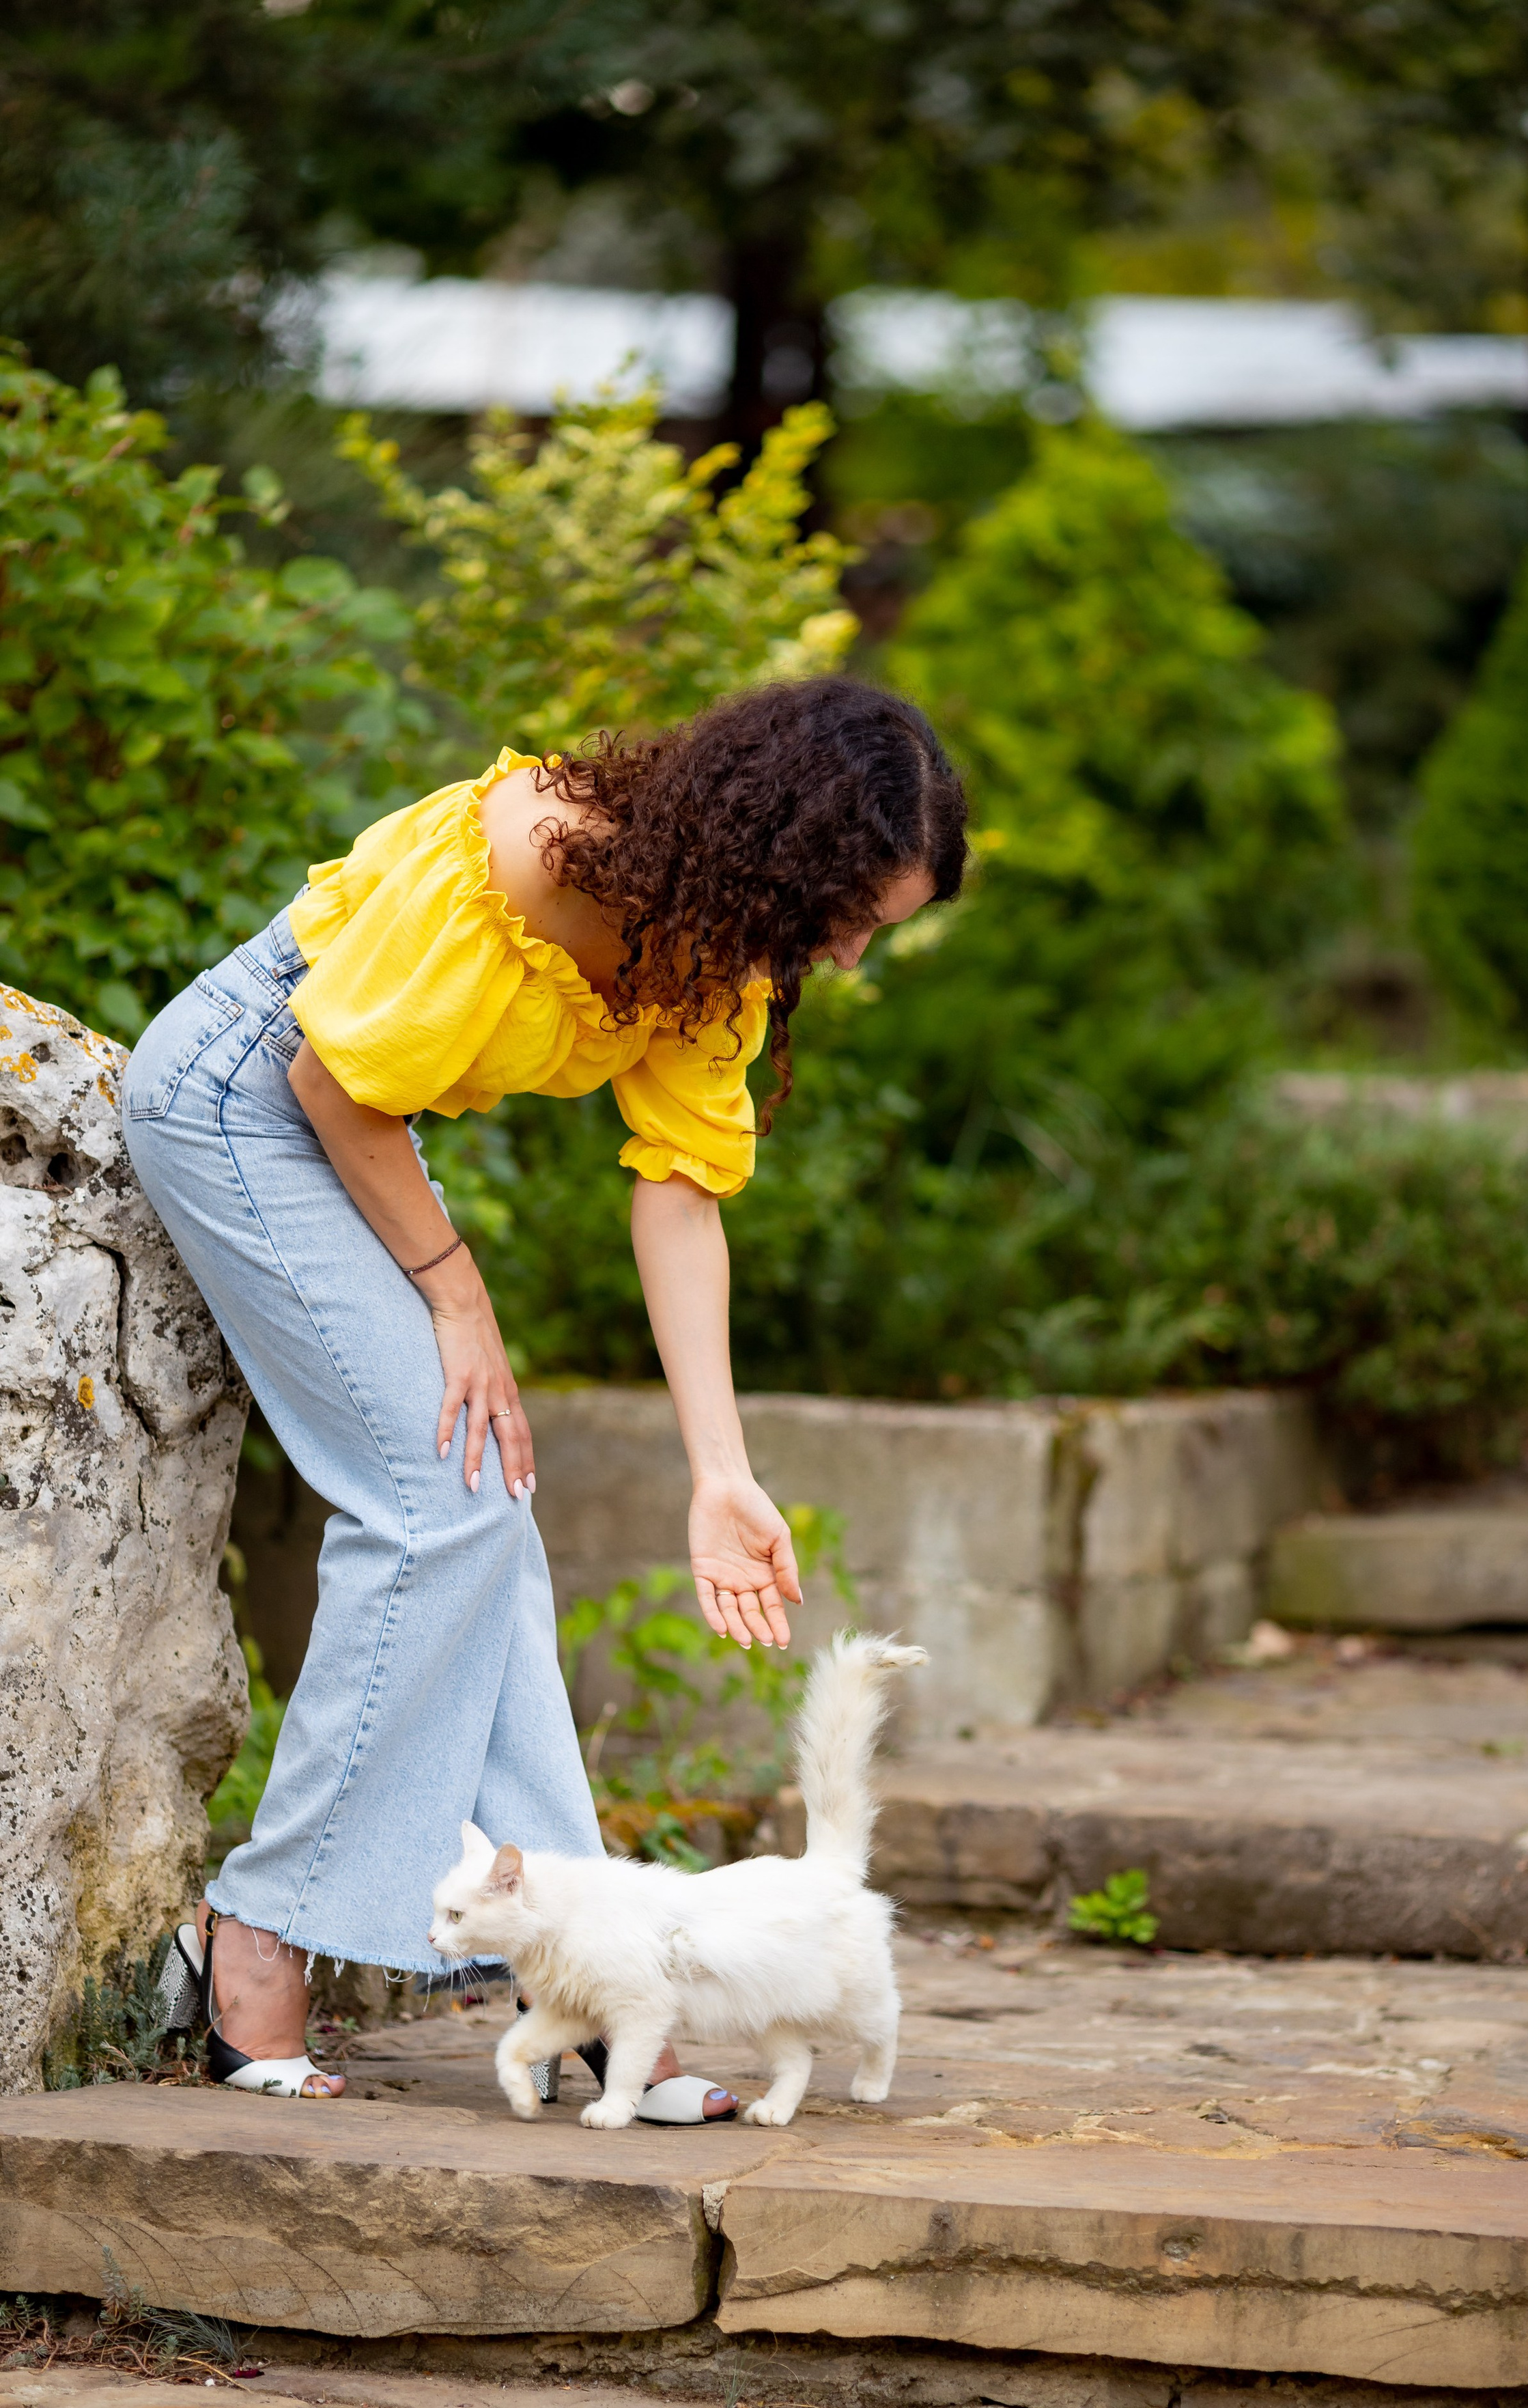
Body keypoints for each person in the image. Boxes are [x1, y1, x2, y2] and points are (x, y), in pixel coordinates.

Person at [123, 677, 967, 2107]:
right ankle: (255, 1927)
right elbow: (333, 1078)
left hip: (348, 1129)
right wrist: (458, 1291)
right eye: (851, 910)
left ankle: (587, 1990)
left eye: (879, 926)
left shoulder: (717, 948)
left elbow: (680, 1196)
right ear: (779, 842)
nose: (853, 950)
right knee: (437, 1500)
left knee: (483, 1505)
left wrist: (720, 1468)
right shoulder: (535, 855)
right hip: (240, 1102)